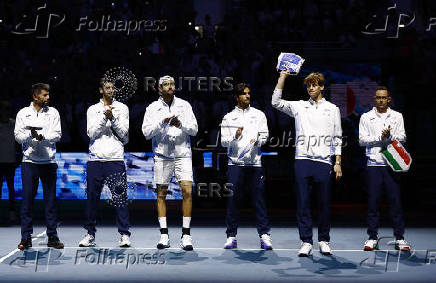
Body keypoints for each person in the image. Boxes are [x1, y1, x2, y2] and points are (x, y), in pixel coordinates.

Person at [272, 70, 342, 256]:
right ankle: (306, 241)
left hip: (324, 161)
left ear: (322, 87)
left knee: (324, 203)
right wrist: (283, 77)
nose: (311, 87)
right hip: (302, 160)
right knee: (303, 202)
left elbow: (337, 137)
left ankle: (324, 240)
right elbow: (276, 102)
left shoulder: (333, 109)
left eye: (314, 84)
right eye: (309, 85)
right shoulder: (299, 106)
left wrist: (338, 162)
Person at [142, 75, 198, 251]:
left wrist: (180, 124)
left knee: (187, 191)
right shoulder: (153, 108)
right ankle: (164, 235)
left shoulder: (185, 105)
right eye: (166, 85)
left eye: (172, 84)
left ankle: (186, 235)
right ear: (159, 89)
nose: (170, 87)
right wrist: (162, 122)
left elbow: (195, 130)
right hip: (162, 155)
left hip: (182, 154)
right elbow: (146, 133)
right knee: (161, 194)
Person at [78, 78, 131, 248]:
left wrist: (113, 118)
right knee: (92, 198)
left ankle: (124, 234)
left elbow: (124, 135)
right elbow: (91, 133)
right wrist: (104, 118)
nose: (111, 90)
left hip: (115, 159)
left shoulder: (122, 108)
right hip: (95, 160)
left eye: (113, 88)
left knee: (120, 199)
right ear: (101, 90)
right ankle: (90, 234)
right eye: (107, 88)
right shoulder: (93, 109)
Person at [220, 83, 272, 250]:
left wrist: (258, 140)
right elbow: (223, 141)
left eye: (249, 93)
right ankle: (231, 236)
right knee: (233, 200)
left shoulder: (259, 115)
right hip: (235, 165)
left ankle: (264, 236)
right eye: (243, 94)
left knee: (259, 200)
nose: (247, 96)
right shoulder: (228, 118)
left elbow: (265, 136)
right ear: (236, 97)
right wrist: (235, 137)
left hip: (255, 164)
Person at [359, 86, 410, 251]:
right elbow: (361, 140)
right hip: (374, 165)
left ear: (389, 99)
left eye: (384, 97)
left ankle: (399, 238)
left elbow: (403, 137)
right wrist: (379, 137)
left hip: (392, 165)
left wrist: (391, 137)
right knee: (373, 203)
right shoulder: (366, 117)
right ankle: (372, 238)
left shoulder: (397, 116)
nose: (381, 100)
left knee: (395, 203)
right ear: (375, 99)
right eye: (378, 97)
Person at [14, 83, 64, 250]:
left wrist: (42, 137)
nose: (48, 98)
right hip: (29, 163)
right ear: (36, 96)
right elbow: (18, 136)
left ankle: (53, 237)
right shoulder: (23, 113)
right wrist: (31, 135)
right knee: (27, 201)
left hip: (49, 162)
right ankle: (26, 238)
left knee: (50, 202)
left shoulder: (53, 112)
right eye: (44, 95)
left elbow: (57, 134)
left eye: (48, 95)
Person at [0, 101, 18, 223]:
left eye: (7, 109)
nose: (5, 112)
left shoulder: (14, 124)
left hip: (10, 161)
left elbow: (18, 142)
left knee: (11, 188)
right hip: (0, 162)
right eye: (3, 109)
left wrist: (17, 158)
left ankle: (12, 213)